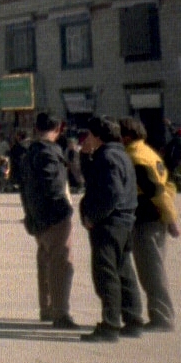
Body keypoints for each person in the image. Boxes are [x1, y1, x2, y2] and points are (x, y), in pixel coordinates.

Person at [78, 117, 142, 343]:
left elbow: (111, 194)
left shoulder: (107, 157)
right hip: (124, 221)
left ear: (97, 136)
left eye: (89, 135)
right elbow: (93, 179)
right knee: (123, 271)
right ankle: (133, 319)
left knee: (106, 274)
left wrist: (93, 216)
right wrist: (84, 156)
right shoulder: (119, 154)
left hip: (109, 224)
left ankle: (110, 325)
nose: (87, 139)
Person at [119, 117, 179, 331]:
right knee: (153, 268)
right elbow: (169, 185)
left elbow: (156, 191)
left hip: (147, 220)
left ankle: (162, 318)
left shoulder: (135, 159)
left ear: (126, 137)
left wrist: (171, 218)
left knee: (151, 272)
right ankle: (161, 315)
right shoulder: (149, 153)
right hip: (154, 218)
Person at [19, 113, 78, 329]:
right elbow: (53, 186)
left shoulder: (29, 153)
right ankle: (60, 313)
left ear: (36, 128)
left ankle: (47, 307)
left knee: (45, 260)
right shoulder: (49, 153)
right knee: (61, 264)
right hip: (54, 216)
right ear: (59, 129)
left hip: (37, 216)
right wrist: (65, 210)